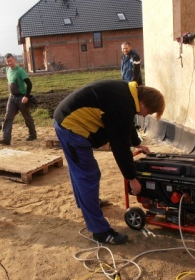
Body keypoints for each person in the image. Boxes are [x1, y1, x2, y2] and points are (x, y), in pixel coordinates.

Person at [54, 80, 165, 244]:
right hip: (71, 127)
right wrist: (132, 179)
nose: (144, 115)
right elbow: (120, 147)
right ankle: (100, 231)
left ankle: (86, 203)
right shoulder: (121, 104)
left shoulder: (127, 95)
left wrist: (136, 143)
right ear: (142, 102)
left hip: (66, 118)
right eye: (147, 112)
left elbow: (125, 125)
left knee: (80, 171)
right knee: (88, 175)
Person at [0, 53, 37, 145]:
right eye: (7, 61)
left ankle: (33, 134)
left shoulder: (20, 71)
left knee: (26, 116)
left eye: (11, 60)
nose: (9, 63)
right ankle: (6, 138)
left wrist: (26, 96)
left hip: (21, 98)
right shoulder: (7, 70)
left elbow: (29, 84)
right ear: (5, 62)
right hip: (12, 98)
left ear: (14, 59)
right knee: (8, 117)